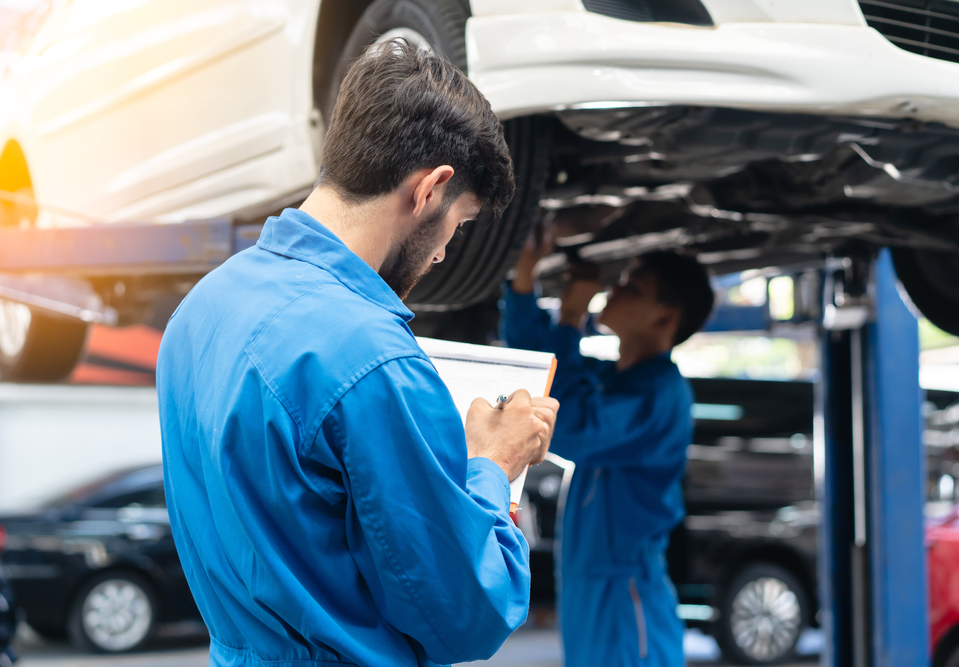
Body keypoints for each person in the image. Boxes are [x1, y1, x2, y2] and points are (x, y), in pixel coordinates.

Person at [156, 41, 560, 667]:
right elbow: (465, 615)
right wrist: (490, 465)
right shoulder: (374, 362)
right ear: (430, 189)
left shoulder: (202, 310)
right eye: (459, 225)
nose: (442, 255)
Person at [503, 235, 715, 667]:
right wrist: (525, 278)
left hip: (624, 595)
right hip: (594, 588)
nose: (614, 289)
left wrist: (572, 316)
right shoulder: (615, 381)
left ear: (665, 319)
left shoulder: (660, 396)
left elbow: (566, 421)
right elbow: (543, 373)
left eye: (632, 288)